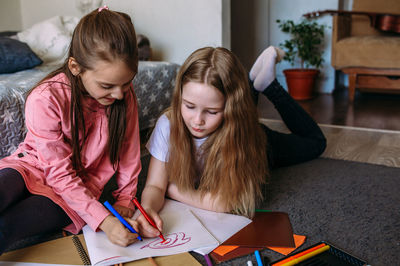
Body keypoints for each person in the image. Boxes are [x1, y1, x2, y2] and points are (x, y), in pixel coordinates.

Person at [136, 46, 327, 238]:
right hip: (232, 113)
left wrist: (172, 189)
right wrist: (148, 209)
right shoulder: (168, 124)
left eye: (211, 111)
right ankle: (252, 84)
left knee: (316, 143)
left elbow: (223, 203)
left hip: (261, 142)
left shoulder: (241, 132)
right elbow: (154, 186)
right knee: (233, 104)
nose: (197, 121)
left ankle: (269, 86)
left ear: (229, 110)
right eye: (189, 106)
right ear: (179, 98)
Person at [0, 7, 142, 253]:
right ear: (75, 67)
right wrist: (105, 220)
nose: (119, 94)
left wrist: (125, 200)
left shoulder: (124, 96)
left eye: (126, 83)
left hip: (75, 192)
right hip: (31, 166)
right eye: (107, 85)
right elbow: (58, 172)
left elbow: (130, 153)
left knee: (9, 227)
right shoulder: (45, 98)